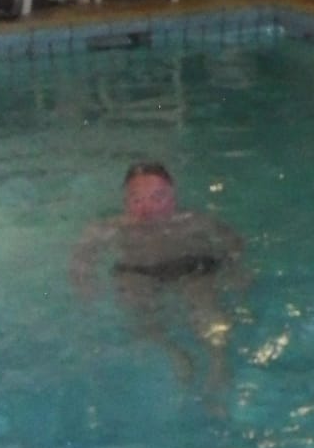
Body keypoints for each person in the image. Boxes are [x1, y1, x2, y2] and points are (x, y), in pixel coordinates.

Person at [71, 162, 245, 397]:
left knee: (206, 308)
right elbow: (82, 256)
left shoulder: (194, 221)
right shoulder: (110, 228)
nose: (147, 208)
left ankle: (218, 364)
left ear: (172, 199)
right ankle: (175, 355)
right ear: (126, 202)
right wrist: (85, 283)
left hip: (190, 266)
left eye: (157, 198)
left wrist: (237, 272)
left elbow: (233, 244)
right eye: (137, 200)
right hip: (138, 272)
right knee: (138, 310)